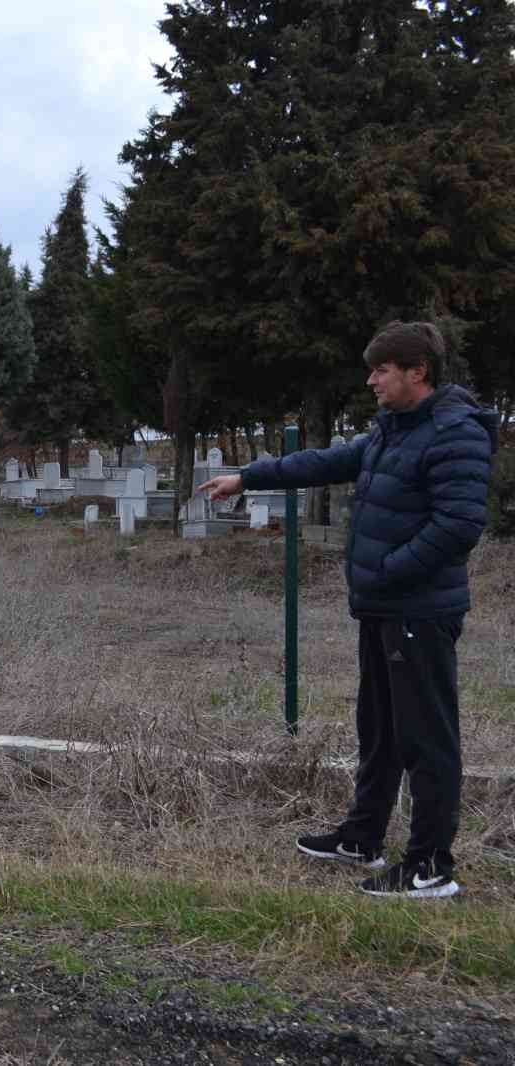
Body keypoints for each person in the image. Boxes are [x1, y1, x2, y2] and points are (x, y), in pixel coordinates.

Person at [199, 322, 497, 899]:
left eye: (382, 369)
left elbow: (459, 526)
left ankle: (431, 864)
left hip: (417, 609)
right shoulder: (395, 431)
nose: (372, 380)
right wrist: (248, 477)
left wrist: (388, 572)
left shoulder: (453, 433)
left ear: (418, 372)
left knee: (426, 738)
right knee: (380, 730)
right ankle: (362, 837)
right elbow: (324, 462)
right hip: (384, 608)